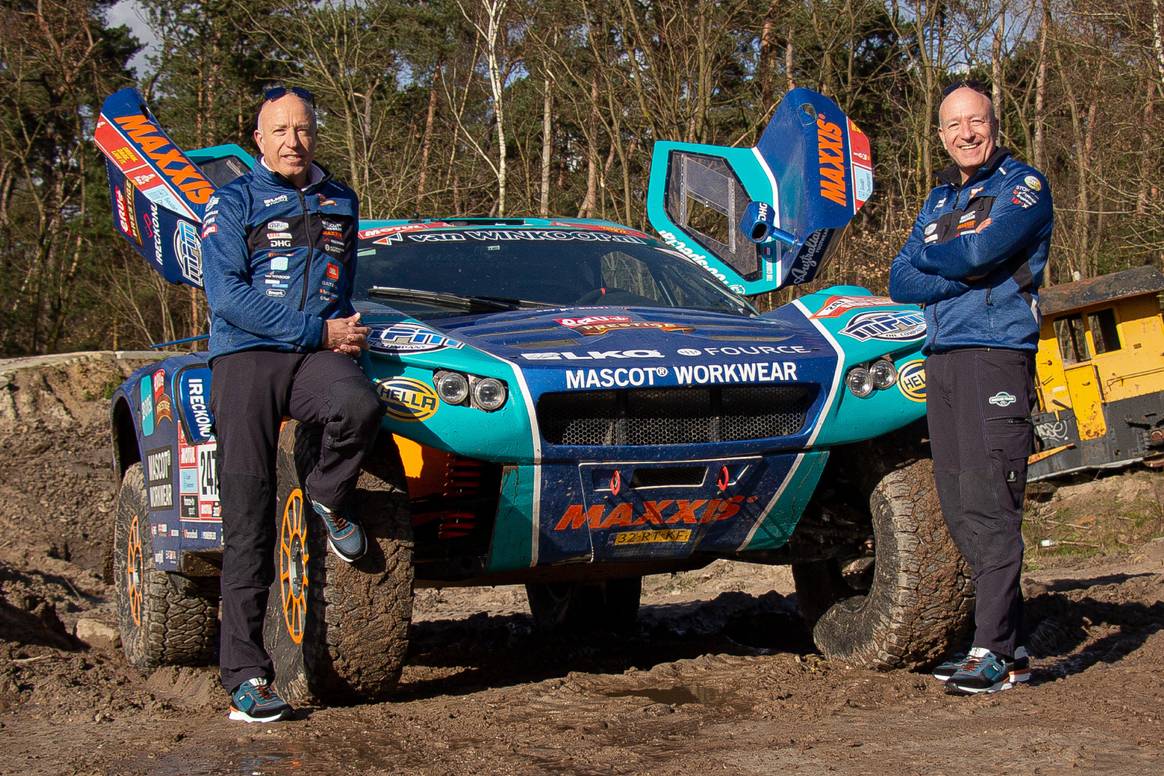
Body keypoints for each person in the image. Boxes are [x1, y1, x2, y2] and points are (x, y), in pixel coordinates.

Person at [201, 85, 384, 722]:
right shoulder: (232, 201)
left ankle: (327, 495)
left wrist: (342, 332)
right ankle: (246, 677)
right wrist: (317, 331)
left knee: (358, 406)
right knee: (248, 520)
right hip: (246, 357)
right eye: (279, 131)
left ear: (314, 133)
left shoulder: (341, 199)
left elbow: (343, 284)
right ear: (259, 139)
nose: (292, 142)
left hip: (314, 355)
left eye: (302, 129)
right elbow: (226, 296)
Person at [888, 79, 1053, 695]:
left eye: (976, 120)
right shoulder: (938, 198)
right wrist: (960, 268)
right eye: (954, 124)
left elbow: (983, 251)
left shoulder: (1022, 187)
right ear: (940, 135)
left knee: (991, 499)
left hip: (995, 353)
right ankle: (1008, 644)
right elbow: (900, 278)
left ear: (994, 123)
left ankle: (993, 650)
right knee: (958, 503)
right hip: (942, 356)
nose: (966, 133)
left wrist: (949, 258)